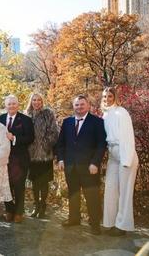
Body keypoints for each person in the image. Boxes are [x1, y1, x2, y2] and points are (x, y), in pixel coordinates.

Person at [56, 95, 107, 235]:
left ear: (88, 105)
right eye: (77, 105)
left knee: (92, 196)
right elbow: (61, 144)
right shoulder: (67, 122)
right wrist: (60, 159)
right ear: (74, 106)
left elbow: (101, 145)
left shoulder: (97, 122)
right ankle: (74, 219)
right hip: (70, 166)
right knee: (73, 194)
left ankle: (95, 224)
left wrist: (95, 162)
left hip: (89, 167)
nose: (79, 107)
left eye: (82, 104)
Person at [101, 87, 139, 236]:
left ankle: (122, 226)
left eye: (110, 96)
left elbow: (128, 137)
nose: (107, 99)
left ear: (115, 97)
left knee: (125, 192)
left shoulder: (121, 112)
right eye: (105, 96)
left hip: (125, 154)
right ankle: (109, 222)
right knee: (110, 189)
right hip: (113, 155)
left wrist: (126, 160)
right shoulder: (105, 114)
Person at [0, 95, 34, 223]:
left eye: (14, 103)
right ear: (6, 106)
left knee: (19, 186)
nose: (12, 106)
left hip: (20, 159)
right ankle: (9, 210)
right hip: (4, 159)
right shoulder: (0, 119)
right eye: (9, 104)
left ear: (18, 105)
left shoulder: (26, 120)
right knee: (6, 185)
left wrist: (14, 138)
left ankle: (19, 212)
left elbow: (30, 138)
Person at [25, 93, 59, 219]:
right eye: (34, 100)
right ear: (31, 101)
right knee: (34, 182)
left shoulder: (48, 113)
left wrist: (44, 145)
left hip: (45, 154)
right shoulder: (27, 114)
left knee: (44, 182)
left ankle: (43, 207)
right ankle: (36, 206)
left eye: (39, 100)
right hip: (32, 155)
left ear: (42, 101)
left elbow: (54, 132)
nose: (36, 102)